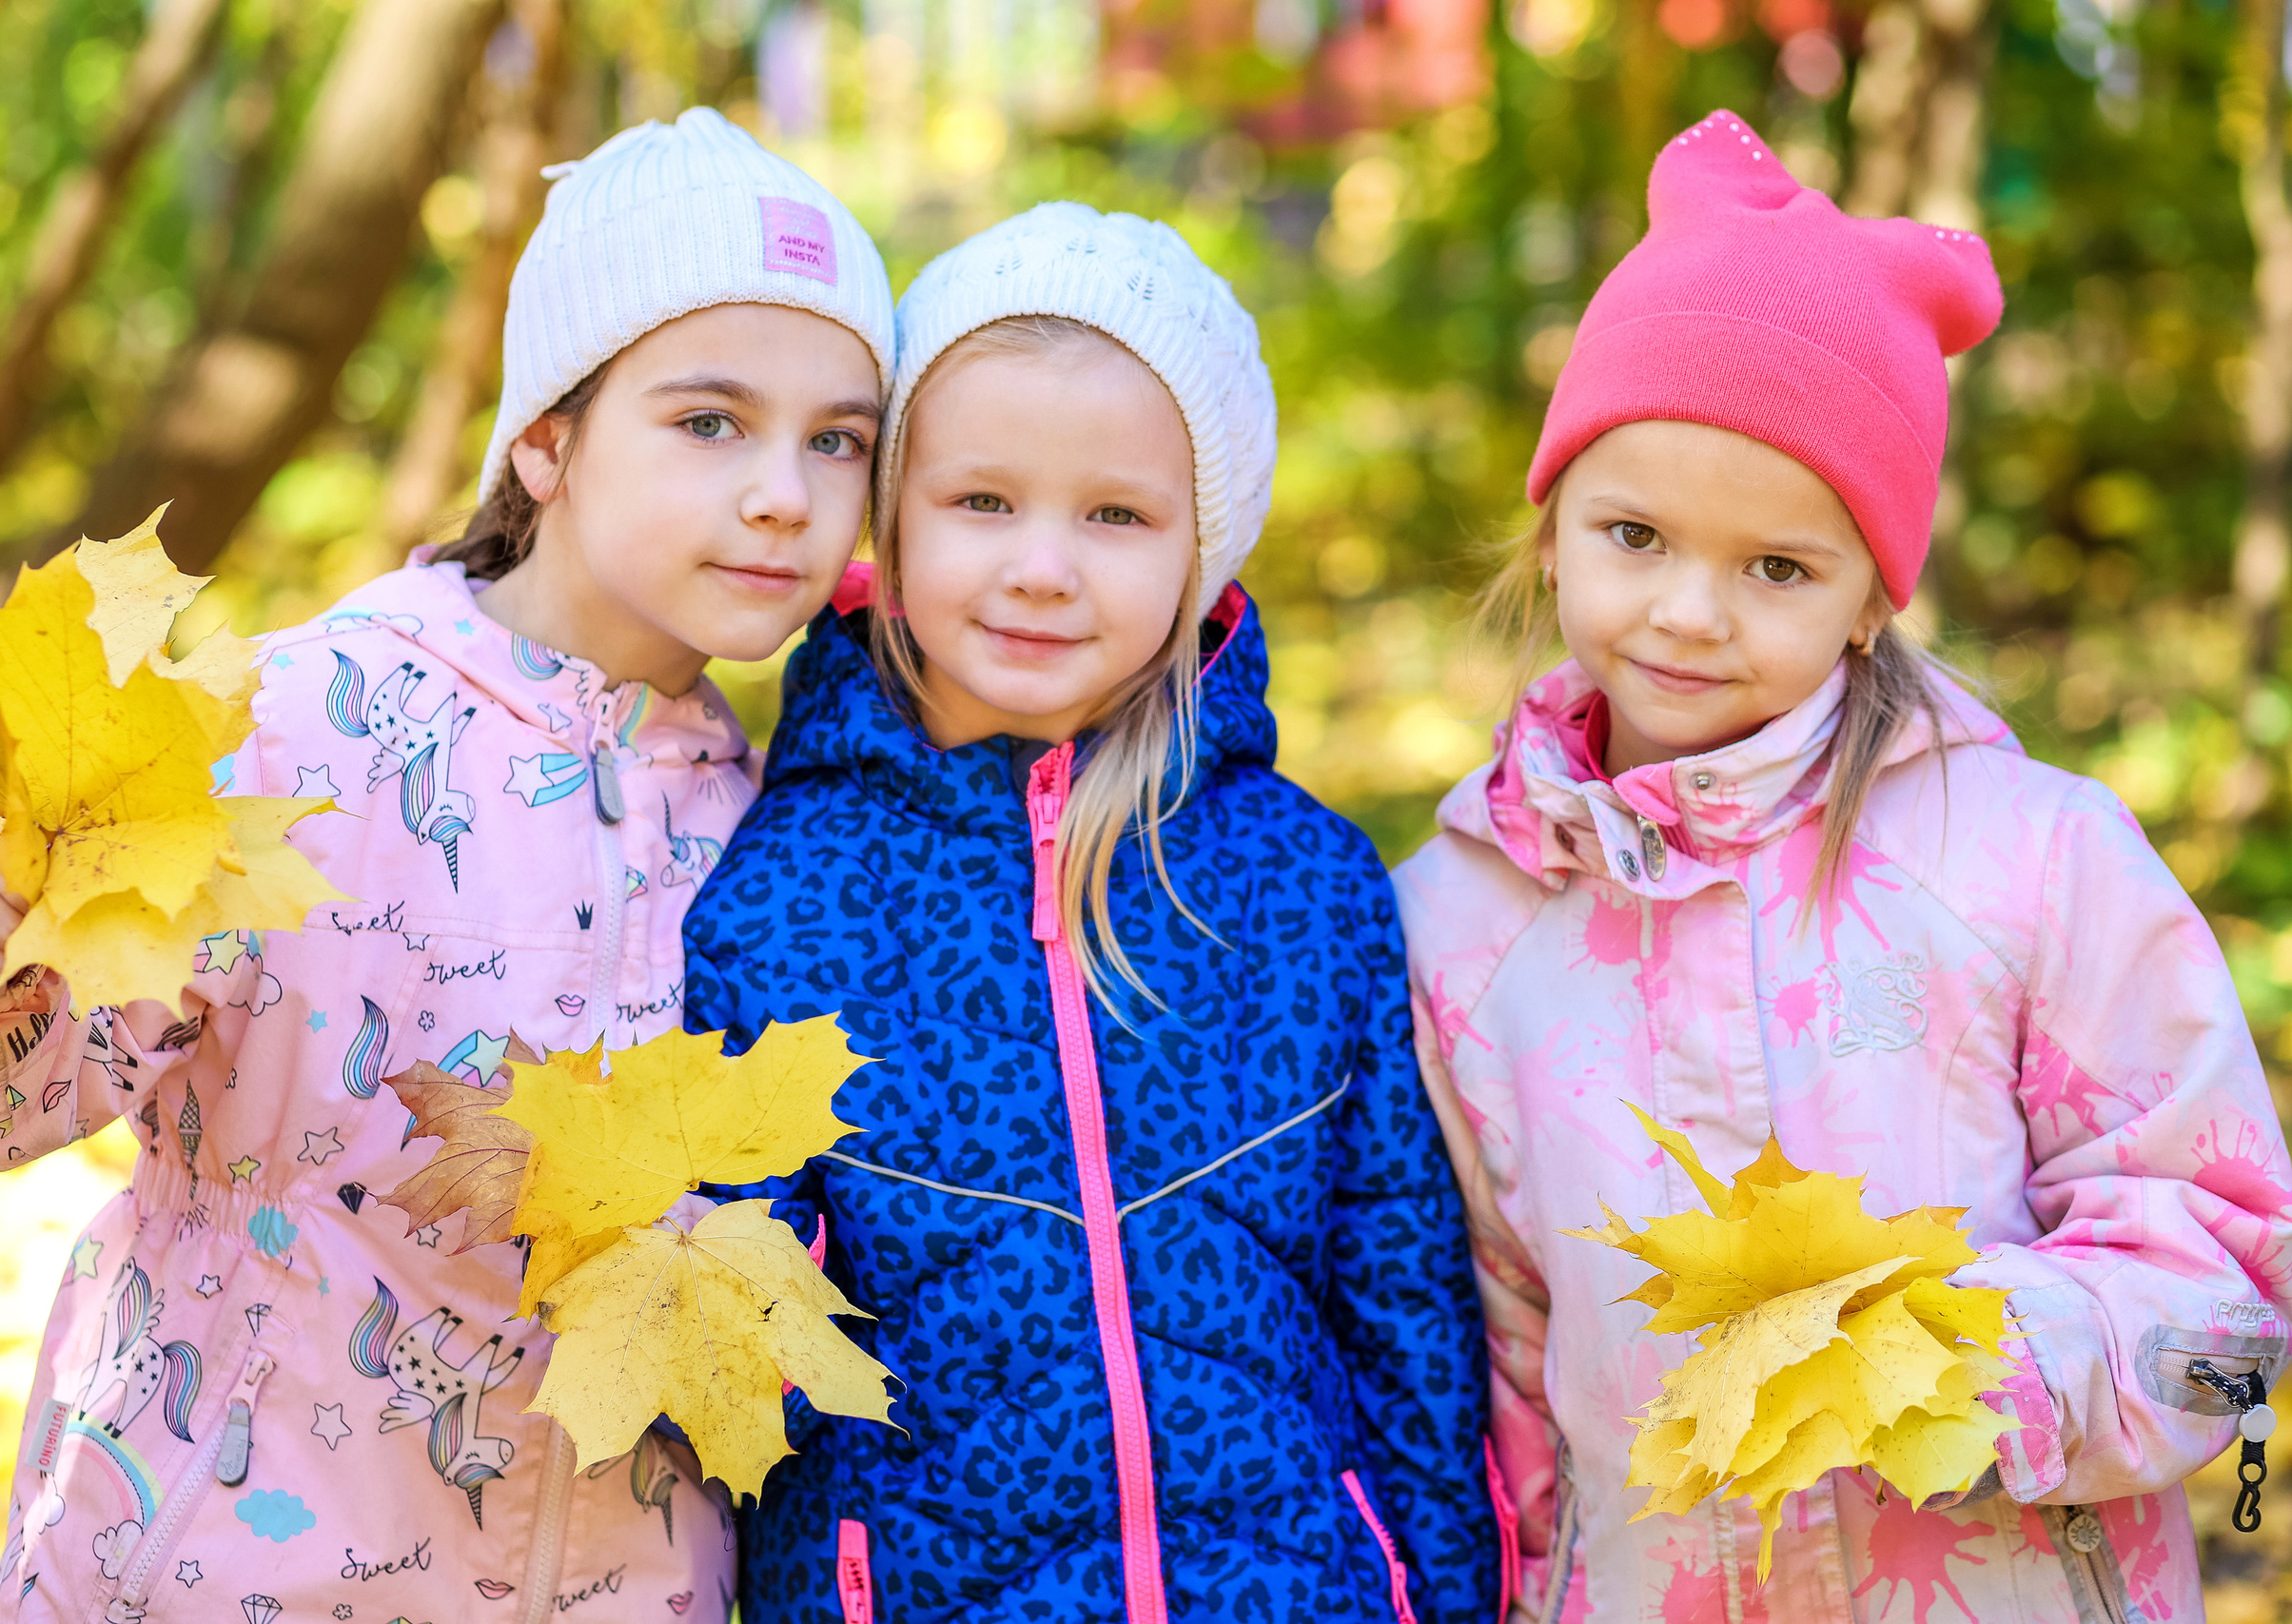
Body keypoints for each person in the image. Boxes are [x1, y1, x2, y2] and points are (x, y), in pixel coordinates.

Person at [0, 108, 891, 1623]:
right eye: (710, 421)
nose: (786, 493)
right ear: (544, 437)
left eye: (840, 441)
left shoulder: (780, 818)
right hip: (221, 1569)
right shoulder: (291, 733)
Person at [1394, 108, 2292, 1620]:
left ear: (1873, 597)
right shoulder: (1464, 923)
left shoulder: (2028, 861)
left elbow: (2238, 1298)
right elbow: (1500, 1365)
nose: (1688, 611)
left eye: (1777, 568)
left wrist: (1993, 1373)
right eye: (1635, 534)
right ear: (1553, 532)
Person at [681, 202, 1506, 1624]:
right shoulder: (780, 894)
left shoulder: (1303, 883)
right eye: (982, 502)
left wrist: (1436, 1585)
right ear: (891, 520)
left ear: (1205, 546)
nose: (1044, 567)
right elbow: (743, 1362)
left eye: (1115, 514)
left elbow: (1404, 1299)